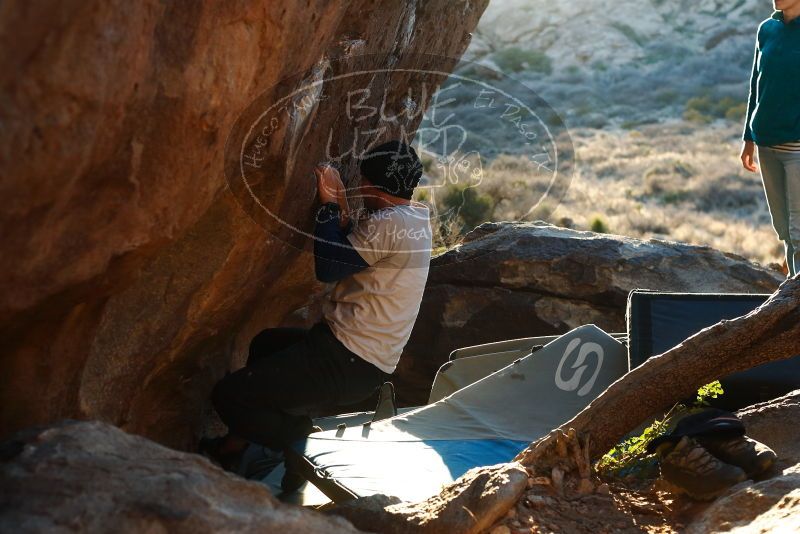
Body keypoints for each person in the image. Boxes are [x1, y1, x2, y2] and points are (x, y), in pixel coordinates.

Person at [203, 140, 432, 488]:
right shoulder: (412, 219)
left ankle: (301, 444)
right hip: (358, 359)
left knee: (229, 395)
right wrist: (340, 211)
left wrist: (328, 206)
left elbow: (328, 266)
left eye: (363, 182)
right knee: (267, 345)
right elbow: (352, 251)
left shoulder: (389, 224)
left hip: (345, 360)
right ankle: (236, 447)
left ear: (373, 185)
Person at [740, 0, 800, 277]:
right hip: (766, 142)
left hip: (797, 147)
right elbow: (756, 83)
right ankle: (792, 290)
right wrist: (749, 138)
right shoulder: (767, 29)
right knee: (784, 228)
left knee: (799, 230)